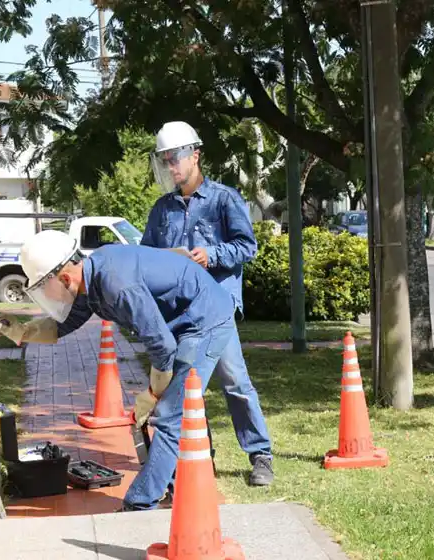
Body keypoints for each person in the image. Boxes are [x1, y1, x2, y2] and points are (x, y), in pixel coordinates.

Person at [0, 230, 239, 510]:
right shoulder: (91, 276)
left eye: (42, 287)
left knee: (170, 414)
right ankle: (176, 485)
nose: (46, 295)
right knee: (171, 408)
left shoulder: (115, 284)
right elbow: (66, 322)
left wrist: (152, 393)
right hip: (183, 323)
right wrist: (20, 331)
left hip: (205, 320)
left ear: (63, 279)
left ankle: (138, 504)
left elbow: (163, 346)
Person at [142, 120, 274, 486]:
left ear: (195, 156)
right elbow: (146, 257)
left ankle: (260, 455)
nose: (170, 168)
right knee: (187, 381)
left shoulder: (224, 199)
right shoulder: (161, 210)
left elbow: (248, 247)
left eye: (174, 159)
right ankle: (201, 455)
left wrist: (210, 255)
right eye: (164, 161)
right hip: (179, 312)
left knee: (234, 381)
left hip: (217, 308)